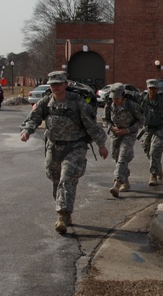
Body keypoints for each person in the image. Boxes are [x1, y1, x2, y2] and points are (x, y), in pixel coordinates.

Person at [21, 71, 108, 233]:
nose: (55, 87)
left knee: (66, 179)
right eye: (52, 84)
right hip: (53, 147)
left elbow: (91, 124)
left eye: (58, 84)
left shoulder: (77, 102)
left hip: (75, 147)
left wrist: (101, 144)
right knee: (56, 181)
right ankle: (66, 212)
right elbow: (33, 118)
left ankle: (61, 215)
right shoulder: (46, 102)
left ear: (65, 84)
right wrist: (27, 131)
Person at [103, 83, 143, 196]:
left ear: (123, 95)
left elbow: (141, 121)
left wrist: (128, 130)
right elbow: (105, 120)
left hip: (129, 134)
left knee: (123, 156)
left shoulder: (132, 106)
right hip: (116, 134)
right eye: (113, 98)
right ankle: (125, 181)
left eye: (117, 98)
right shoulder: (110, 105)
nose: (115, 100)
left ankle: (117, 184)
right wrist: (112, 127)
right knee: (116, 157)